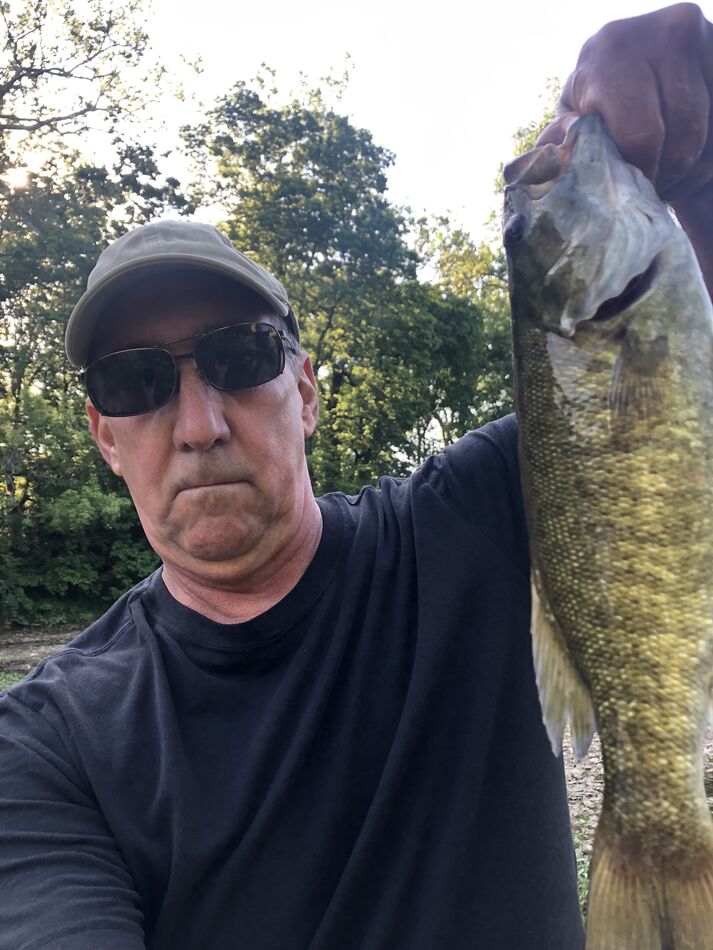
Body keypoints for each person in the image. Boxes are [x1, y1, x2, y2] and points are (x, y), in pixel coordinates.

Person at [0, 4, 711, 948]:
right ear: (102, 436)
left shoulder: (474, 519)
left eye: (240, 357)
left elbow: (663, 416)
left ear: (304, 391)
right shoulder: (43, 747)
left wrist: (699, 179)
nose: (200, 425)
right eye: (136, 383)